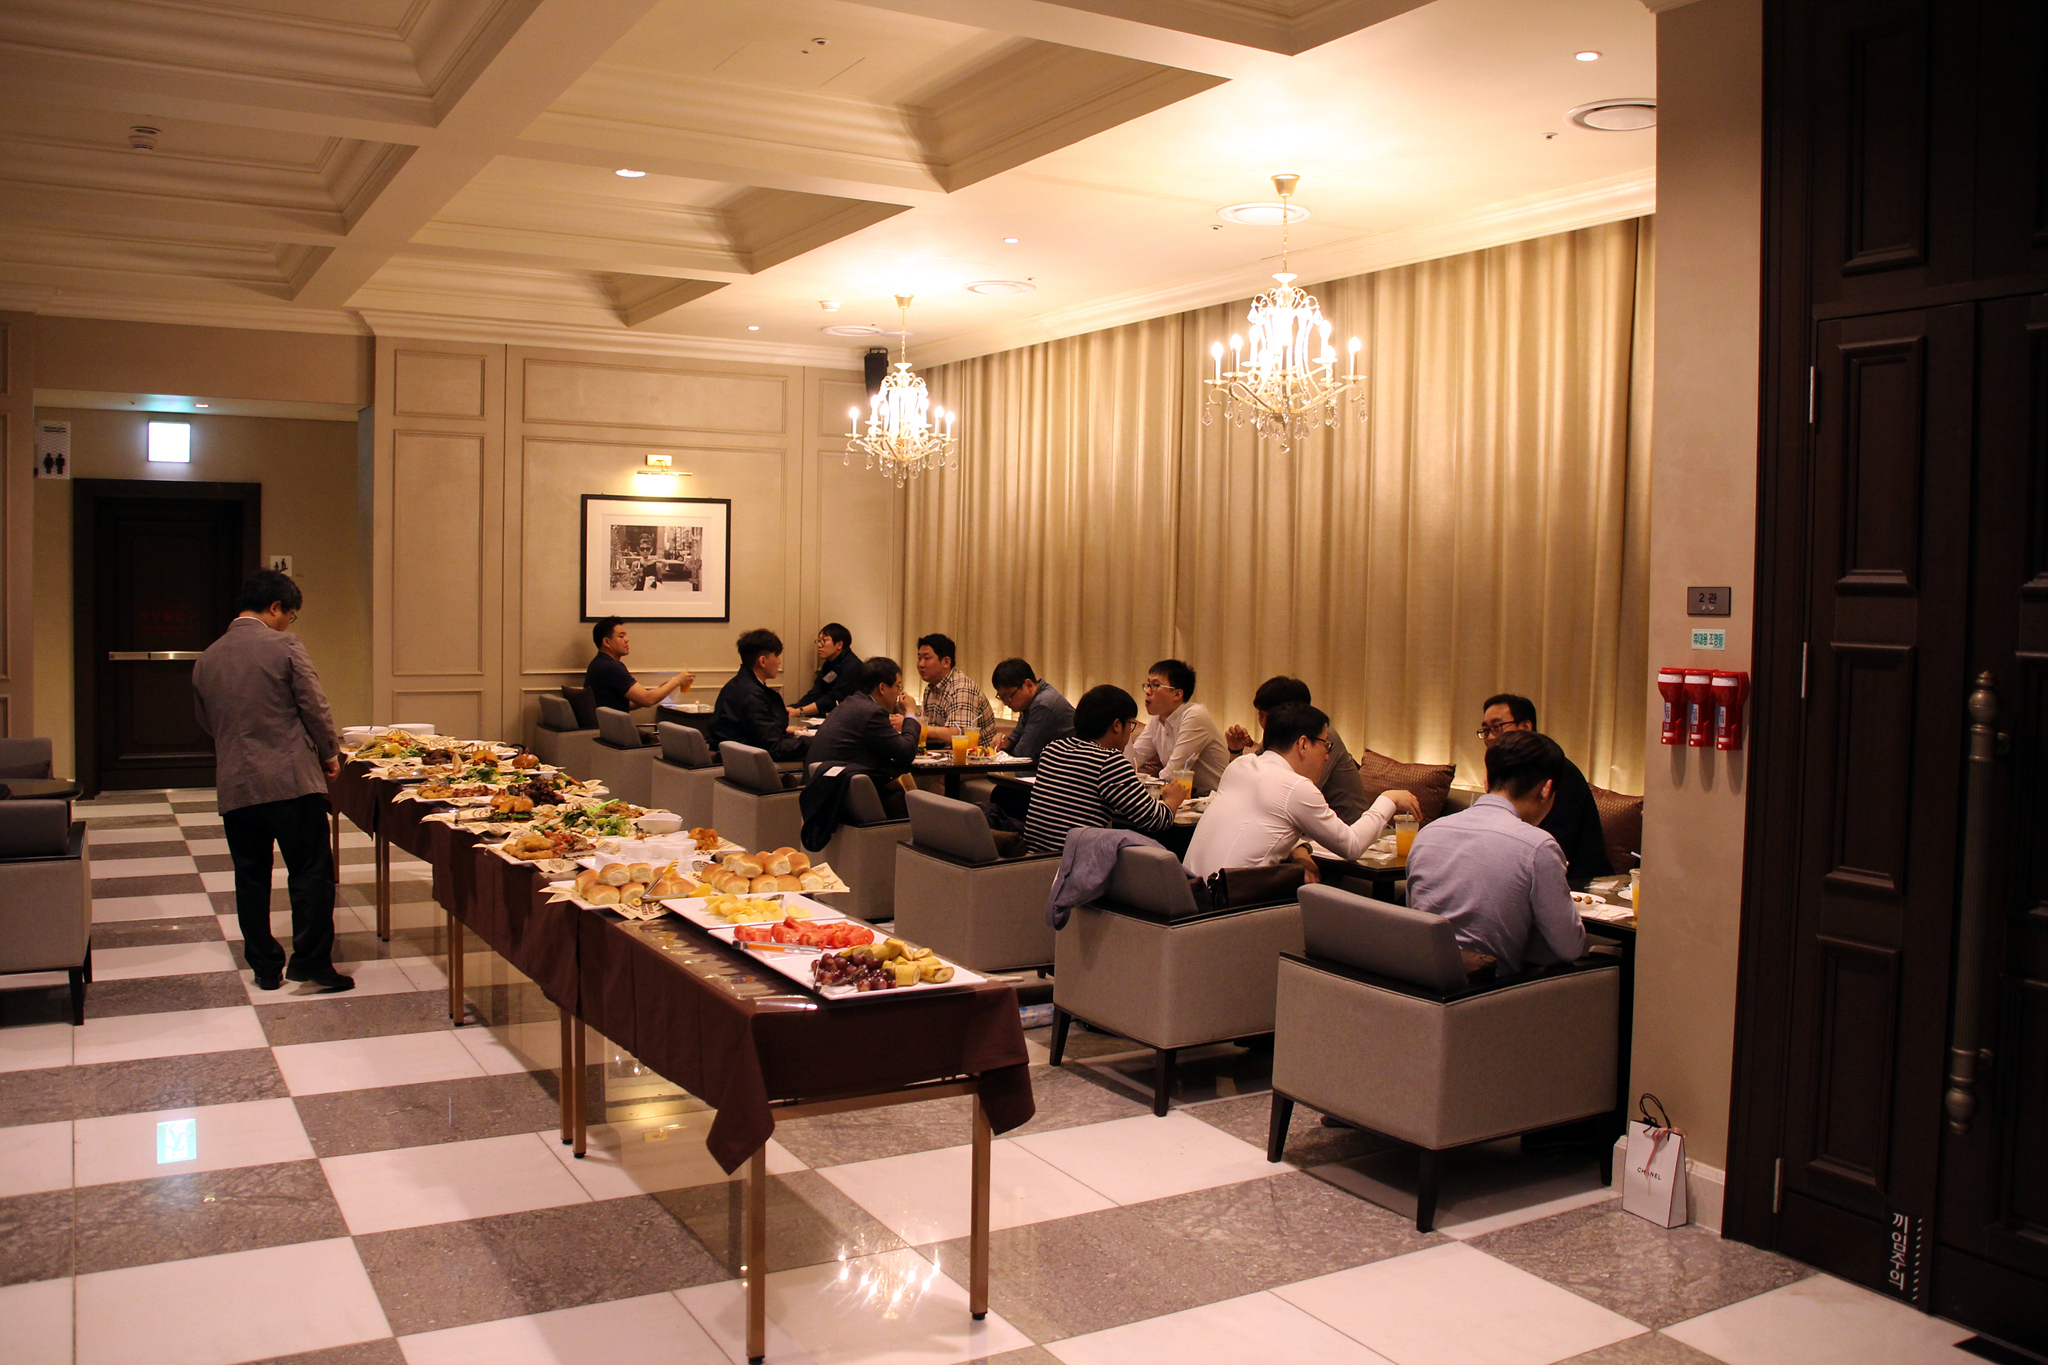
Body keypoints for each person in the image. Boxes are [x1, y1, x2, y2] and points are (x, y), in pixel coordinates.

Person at [191, 569, 351, 993]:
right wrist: (329, 753)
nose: (287, 623)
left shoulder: (207, 658)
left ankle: (265, 968)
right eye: (288, 615)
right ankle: (311, 962)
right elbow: (313, 705)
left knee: (251, 877)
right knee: (310, 872)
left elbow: (207, 721)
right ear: (275, 606)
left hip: (237, 785)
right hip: (290, 781)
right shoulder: (284, 646)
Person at [1406, 730, 1588, 975]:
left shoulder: (1428, 833)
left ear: (1486, 782)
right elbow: (1569, 947)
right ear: (1546, 789)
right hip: (1490, 989)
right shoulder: (1538, 847)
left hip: (1420, 978)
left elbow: (1416, 918)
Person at [1183, 704, 1420, 880]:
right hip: (1228, 909)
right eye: (1326, 745)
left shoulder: (1240, 766)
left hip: (1192, 892)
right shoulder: (1296, 787)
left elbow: (1264, 824)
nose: (1326, 756)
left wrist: (1298, 849)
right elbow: (1352, 846)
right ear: (1304, 744)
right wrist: (1388, 799)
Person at [1025, 685, 1186, 855]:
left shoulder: (1053, 749)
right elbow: (1156, 820)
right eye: (1130, 724)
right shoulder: (1108, 761)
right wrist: (1172, 799)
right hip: (1070, 861)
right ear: (1117, 725)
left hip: (1032, 858)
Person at [1477, 693, 1611, 884]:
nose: (1490, 737)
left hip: (1579, 882)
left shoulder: (1556, 771)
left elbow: (1556, 846)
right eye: (1486, 730)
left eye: (1497, 727)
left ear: (1525, 727)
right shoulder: (1503, 773)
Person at [1224, 676, 1374, 822]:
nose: (1263, 722)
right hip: (1305, 824)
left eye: (1266, 716)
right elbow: (1251, 782)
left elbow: (1290, 796)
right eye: (1260, 715)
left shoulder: (1321, 738)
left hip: (1347, 826)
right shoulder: (1278, 735)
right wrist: (1236, 751)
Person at [806, 655, 923, 812]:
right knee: (914, 802)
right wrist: (910, 712)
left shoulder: (851, 703)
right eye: (898, 687)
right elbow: (907, 752)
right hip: (842, 799)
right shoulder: (872, 713)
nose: (898, 693)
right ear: (882, 688)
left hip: (824, 793)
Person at [1126, 658, 1230, 795]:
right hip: (1184, 798)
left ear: (1177, 694)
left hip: (1214, 797)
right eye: (1148, 685)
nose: (1148, 691)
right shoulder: (1156, 719)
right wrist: (1124, 725)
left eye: (1155, 686)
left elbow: (1174, 772)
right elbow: (1133, 761)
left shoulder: (1195, 716)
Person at [710, 628, 809, 760]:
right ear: (762, 661)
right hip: (747, 762)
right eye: (776, 655)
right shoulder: (753, 695)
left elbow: (750, 729)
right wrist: (815, 741)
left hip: (731, 757)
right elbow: (774, 748)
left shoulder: (736, 684)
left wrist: (781, 729)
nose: (779, 662)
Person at [585, 617, 693, 716]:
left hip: (606, 726)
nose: (626, 640)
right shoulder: (611, 666)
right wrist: (678, 680)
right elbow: (647, 700)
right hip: (612, 729)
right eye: (621, 636)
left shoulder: (598, 663)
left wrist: (662, 690)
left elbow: (627, 704)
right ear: (606, 642)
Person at [911, 633, 993, 740]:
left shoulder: (962, 688)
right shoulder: (929, 689)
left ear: (946, 662)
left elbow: (958, 735)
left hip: (976, 751)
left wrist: (911, 724)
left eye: (926, 658)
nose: (921, 664)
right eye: (919, 658)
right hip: (942, 750)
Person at [990, 658, 1075, 762]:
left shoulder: (1043, 705)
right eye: (1002, 697)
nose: (1005, 703)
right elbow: (1017, 736)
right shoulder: (1030, 701)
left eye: (1009, 696)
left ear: (1028, 685)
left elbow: (1022, 755)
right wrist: (1006, 742)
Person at [789, 623, 863, 720]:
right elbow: (816, 692)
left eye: (824, 641)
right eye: (819, 641)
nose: (819, 645)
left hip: (847, 718)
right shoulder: (829, 664)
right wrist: (794, 708)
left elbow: (833, 699)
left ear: (839, 645)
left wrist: (800, 711)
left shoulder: (852, 666)